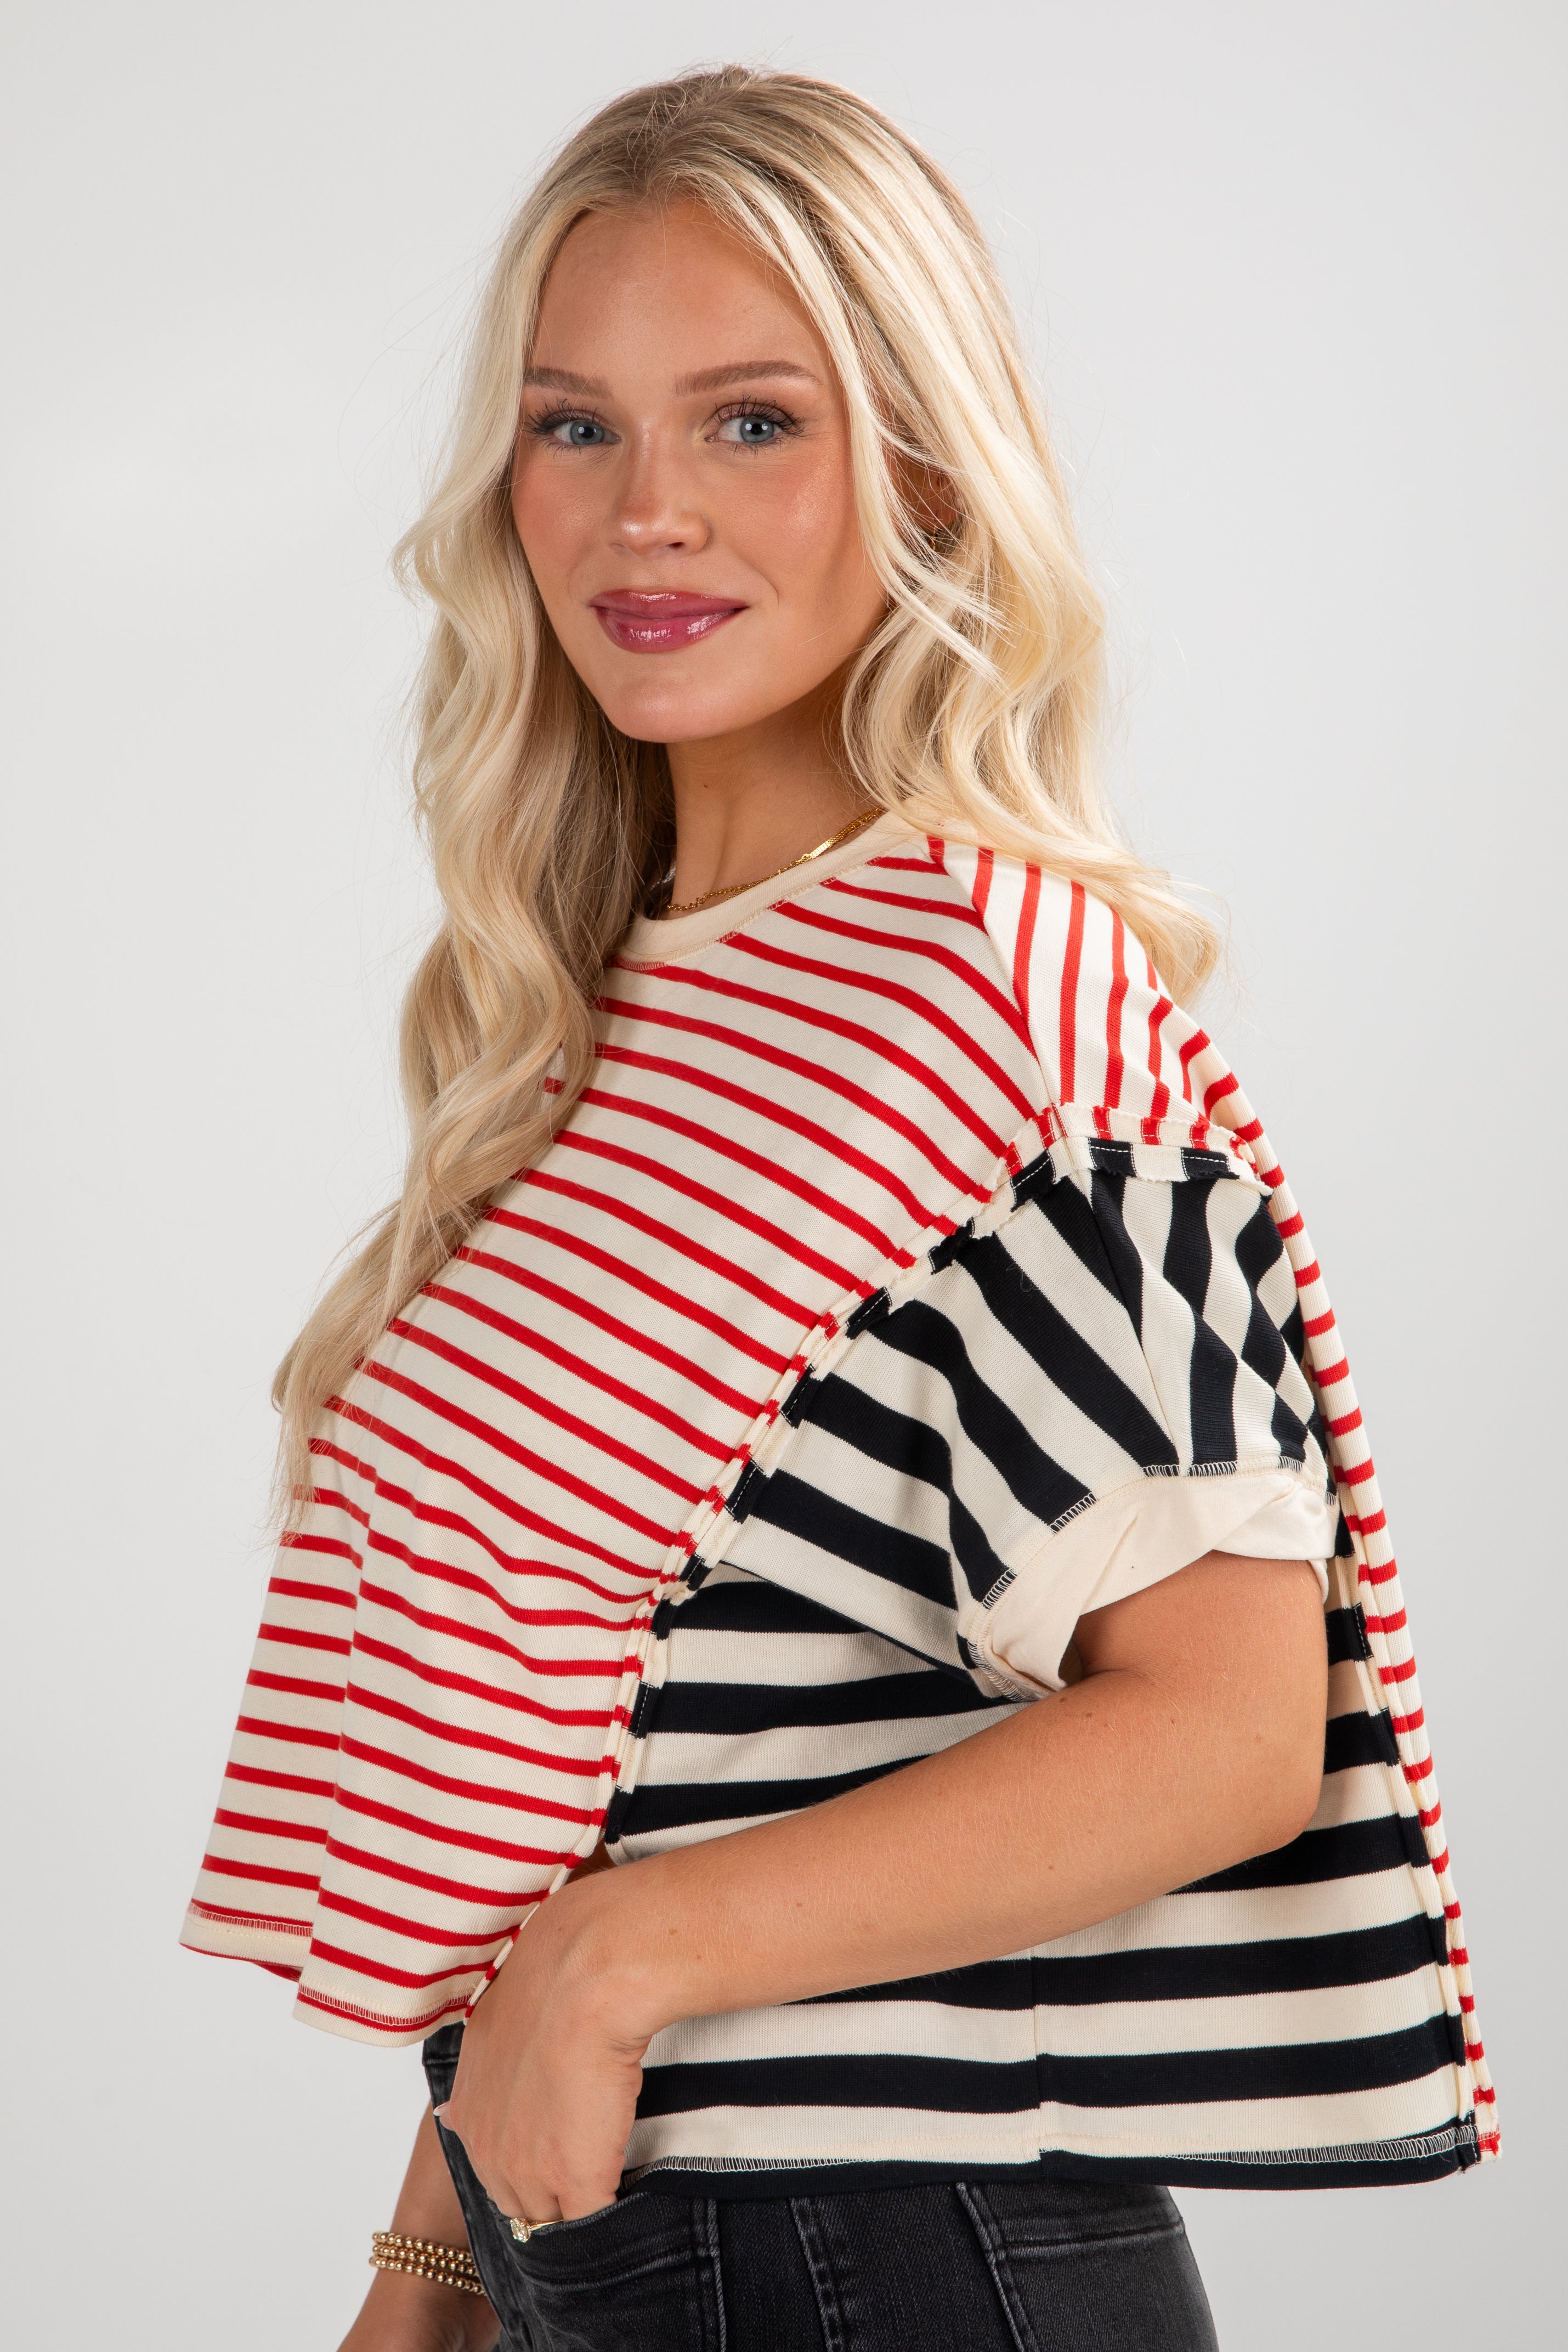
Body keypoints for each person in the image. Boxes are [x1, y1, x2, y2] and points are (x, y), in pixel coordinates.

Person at [183, 66, 1495, 2352]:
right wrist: (416, 2293)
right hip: (613, 2258)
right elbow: (575, 1781)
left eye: (753, 421)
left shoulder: (992, 986)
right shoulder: (609, 1027)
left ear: (921, 463)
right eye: (573, 425)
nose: (645, 514)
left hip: (884, 2263)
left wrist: (618, 1963)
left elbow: (1218, 1717)